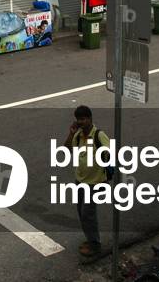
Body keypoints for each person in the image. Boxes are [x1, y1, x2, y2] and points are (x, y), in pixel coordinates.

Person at [63, 106, 110, 259]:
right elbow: (67, 149)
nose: (81, 122)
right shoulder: (77, 135)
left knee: (88, 214)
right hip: (80, 180)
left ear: (90, 119)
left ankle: (95, 245)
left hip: (95, 183)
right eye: (79, 119)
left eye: (84, 119)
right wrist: (71, 133)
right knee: (81, 213)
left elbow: (110, 155)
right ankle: (90, 240)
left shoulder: (99, 135)